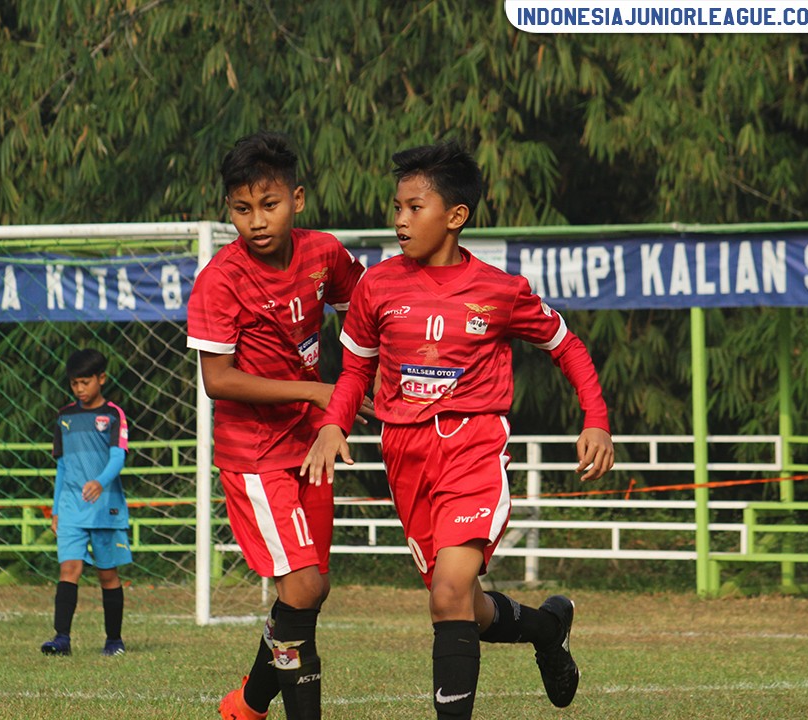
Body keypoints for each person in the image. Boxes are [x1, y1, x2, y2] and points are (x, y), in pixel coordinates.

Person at [301, 140, 615, 719]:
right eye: (396, 206)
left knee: (447, 596)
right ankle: (547, 629)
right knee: (462, 603)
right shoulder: (376, 286)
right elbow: (354, 371)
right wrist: (331, 425)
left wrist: (595, 419)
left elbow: (565, 345)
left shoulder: (501, 290)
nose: (399, 219)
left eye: (414, 207)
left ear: (455, 216)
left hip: (472, 447)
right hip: (403, 454)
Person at [186, 131, 368, 720]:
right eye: (243, 209)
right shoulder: (220, 279)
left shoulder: (323, 254)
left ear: (298, 199)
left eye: (269, 205)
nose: (257, 221)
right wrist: (318, 390)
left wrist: (363, 385)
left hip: (312, 441)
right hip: (255, 451)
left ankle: (247, 703)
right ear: (228, 210)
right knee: (304, 588)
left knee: (310, 588)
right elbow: (219, 379)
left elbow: (365, 312)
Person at [40, 348, 131, 656]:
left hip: (105, 506)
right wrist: (55, 509)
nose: (79, 389)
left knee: (107, 574)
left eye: (85, 382)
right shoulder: (65, 417)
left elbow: (118, 457)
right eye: (74, 383)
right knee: (69, 568)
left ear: (101, 379)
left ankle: (114, 640)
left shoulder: (114, 415)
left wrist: (99, 481)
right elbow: (62, 466)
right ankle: (61, 638)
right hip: (70, 506)